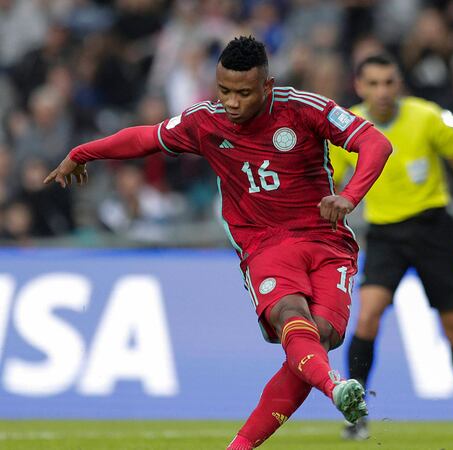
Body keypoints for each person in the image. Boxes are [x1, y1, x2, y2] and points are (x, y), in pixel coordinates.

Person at [44, 36, 393, 450]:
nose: (230, 101)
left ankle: (283, 416)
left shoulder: (304, 108)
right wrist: (84, 152)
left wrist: (350, 195)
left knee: (317, 339)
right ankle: (329, 389)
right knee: (289, 315)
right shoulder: (203, 121)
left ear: (267, 86)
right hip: (265, 243)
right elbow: (145, 138)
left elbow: (376, 142)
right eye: (223, 90)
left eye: (243, 93)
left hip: (326, 240)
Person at [329, 54, 453, 441]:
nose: (382, 91)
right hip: (385, 235)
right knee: (367, 317)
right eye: (373, 83)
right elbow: (326, 181)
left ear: (400, 85)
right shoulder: (347, 128)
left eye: (389, 82)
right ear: (359, 87)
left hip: (433, 231)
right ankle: (355, 417)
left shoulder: (427, 117)